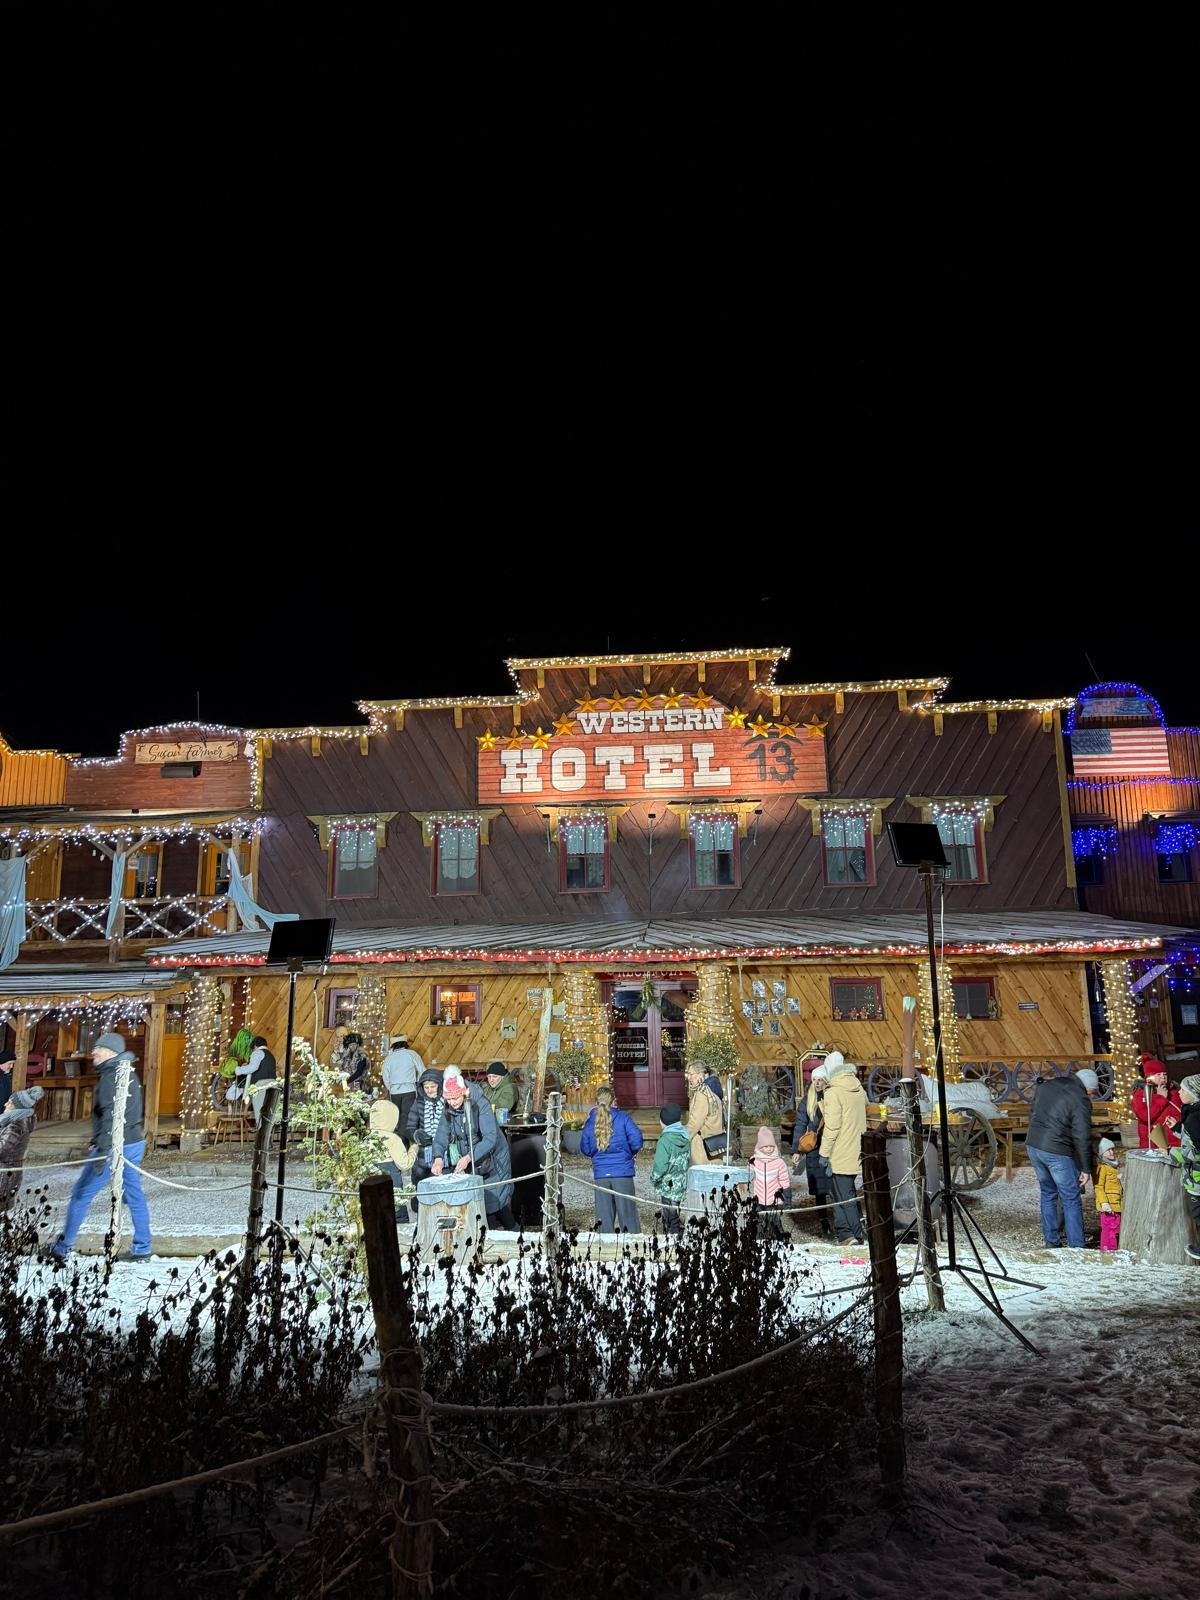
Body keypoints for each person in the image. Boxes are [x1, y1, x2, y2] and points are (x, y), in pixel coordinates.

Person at [50, 1035, 153, 1263]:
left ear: (111, 1052)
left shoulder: (110, 1077)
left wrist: (101, 1155)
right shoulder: (128, 1073)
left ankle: (63, 1246)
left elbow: (110, 1118)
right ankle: (143, 1246)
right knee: (134, 1195)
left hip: (114, 1145)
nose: (93, 1052)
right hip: (134, 1141)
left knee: (81, 1194)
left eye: (99, 1048)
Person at [431, 1067, 516, 1230]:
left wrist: (469, 1157)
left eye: (456, 1098)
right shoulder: (449, 1108)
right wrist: (438, 1157)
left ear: (463, 1093)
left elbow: (490, 1137)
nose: (452, 1102)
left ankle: (513, 1231)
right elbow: (442, 1133)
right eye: (449, 1099)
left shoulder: (480, 1104)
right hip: (472, 1157)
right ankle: (489, 1232)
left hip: (493, 1157)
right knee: (480, 1201)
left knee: (495, 1199)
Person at [1025, 1065, 1099, 1249]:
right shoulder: (1080, 1098)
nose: (1091, 1096)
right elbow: (1082, 1135)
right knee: (1070, 1198)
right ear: (1088, 1088)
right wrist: (1086, 1168)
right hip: (1057, 1150)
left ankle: (1051, 1241)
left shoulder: (1047, 1085)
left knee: (1048, 1193)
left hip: (1034, 1145)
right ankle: (1077, 1247)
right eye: (1092, 1092)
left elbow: (1032, 1113)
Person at [579, 1084, 644, 1233]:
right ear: (614, 1101)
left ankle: (605, 1246)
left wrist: (597, 1154)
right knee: (628, 1219)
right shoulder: (623, 1118)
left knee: (604, 1220)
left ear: (596, 1103)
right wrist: (629, 1153)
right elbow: (637, 1140)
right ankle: (631, 1244)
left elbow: (585, 1148)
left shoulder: (591, 1121)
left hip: (601, 1174)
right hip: (622, 1173)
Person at [818, 1053, 867, 1244]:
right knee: (840, 1192)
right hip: (856, 1148)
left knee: (845, 1196)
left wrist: (824, 1153)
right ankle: (845, 1233)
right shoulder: (858, 1087)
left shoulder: (834, 1092)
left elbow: (832, 1127)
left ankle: (857, 1234)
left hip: (840, 1151)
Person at [791, 1064, 833, 1239]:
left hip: (831, 1147)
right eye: (814, 1079)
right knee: (820, 1188)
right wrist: (796, 1150)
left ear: (826, 1081)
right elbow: (800, 1124)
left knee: (835, 1186)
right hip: (814, 1148)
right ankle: (824, 1221)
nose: (817, 1083)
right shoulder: (807, 1100)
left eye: (820, 1079)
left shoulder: (832, 1097)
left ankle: (841, 1220)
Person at [1167, 1073, 1200, 1262]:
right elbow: (1192, 1138)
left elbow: (1194, 1152)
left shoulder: (1194, 1118)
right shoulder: (1193, 1113)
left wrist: (1170, 1152)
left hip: (1197, 1177)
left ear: (1193, 1093)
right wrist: (1177, 1128)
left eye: (1183, 1089)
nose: (1179, 1092)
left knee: (1199, 1213)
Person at [405, 1068, 445, 1217]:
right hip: (424, 1153)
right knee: (421, 1182)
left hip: (444, 1153)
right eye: (426, 1087)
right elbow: (409, 1126)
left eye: (433, 1086)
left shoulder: (447, 1100)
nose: (429, 1090)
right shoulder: (419, 1102)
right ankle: (422, 1213)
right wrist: (417, 1135)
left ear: (439, 1085)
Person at [0, 1086, 45, 1213]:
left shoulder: (16, 1125)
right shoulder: (14, 1120)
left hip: (4, 1175)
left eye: (10, 1103)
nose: (5, 1104)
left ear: (17, 1107)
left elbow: (2, 1150)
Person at [651, 1102, 691, 1236]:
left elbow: (660, 1165)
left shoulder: (665, 1141)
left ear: (664, 1122)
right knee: (675, 1212)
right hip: (680, 1182)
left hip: (667, 1184)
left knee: (668, 1216)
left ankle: (671, 1238)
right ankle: (676, 1233)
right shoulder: (685, 1136)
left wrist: (654, 1179)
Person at [1131, 1058, 1183, 1150]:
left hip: (1178, 1141)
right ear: (1149, 1077)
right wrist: (1161, 1097)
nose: (1163, 1077)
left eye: (1165, 1074)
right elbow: (1145, 1117)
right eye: (1158, 1074)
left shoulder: (1174, 1091)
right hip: (1156, 1144)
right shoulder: (1141, 1094)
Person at [750, 1127, 790, 1241]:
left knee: (775, 1221)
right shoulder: (754, 1161)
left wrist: (787, 1197)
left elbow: (784, 1179)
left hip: (774, 1199)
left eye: (771, 1146)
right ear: (760, 1147)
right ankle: (758, 1241)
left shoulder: (779, 1162)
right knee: (759, 1222)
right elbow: (749, 1177)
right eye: (766, 1146)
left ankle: (780, 1241)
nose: (769, 1149)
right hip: (758, 1198)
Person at [684, 1062, 724, 1165]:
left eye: (691, 1074)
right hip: (715, 1143)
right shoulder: (713, 1089)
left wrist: (682, 1139)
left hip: (702, 1147)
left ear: (701, 1074)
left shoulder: (702, 1094)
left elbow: (695, 1123)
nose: (688, 1078)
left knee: (702, 1174)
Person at [381, 1035, 423, 1131]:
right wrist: (417, 1082)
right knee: (408, 1118)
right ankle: (406, 1139)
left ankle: (401, 1138)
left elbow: (385, 1077)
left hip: (394, 1091)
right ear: (405, 1043)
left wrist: (391, 1088)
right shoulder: (412, 1054)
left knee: (397, 1117)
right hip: (410, 1089)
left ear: (393, 1045)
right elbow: (422, 1070)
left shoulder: (389, 1058)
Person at [1094, 1137, 1123, 1252]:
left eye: (1112, 1149)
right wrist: (1104, 1203)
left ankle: (1113, 1249)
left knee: (1115, 1229)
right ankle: (1107, 1250)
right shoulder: (1102, 1168)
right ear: (1102, 1153)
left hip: (1116, 1204)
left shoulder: (1113, 1167)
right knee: (1108, 1230)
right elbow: (1099, 1187)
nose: (1111, 1152)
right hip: (1109, 1205)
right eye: (1108, 1150)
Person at [246, 1036, 277, 1126]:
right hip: (272, 1084)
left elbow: (252, 1068)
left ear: (255, 1046)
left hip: (260, 1085)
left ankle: (260, 1130)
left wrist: (239, 1070)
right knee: (269, 1111)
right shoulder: (271, 1055)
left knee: (259, 1110)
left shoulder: (257, 1053)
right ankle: (268, 1131)